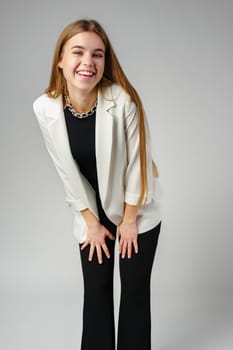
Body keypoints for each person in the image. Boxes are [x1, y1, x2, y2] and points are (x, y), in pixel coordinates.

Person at [33, 18, 162, 350]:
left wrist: (130, 220)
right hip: (90, 205)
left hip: (137, 204)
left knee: (133, 288)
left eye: (98, 54)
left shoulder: (123, 100)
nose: (88, 62)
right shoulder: (45, 108)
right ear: (60, 60)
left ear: (105, 62)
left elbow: (139, 164)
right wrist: (91, 221)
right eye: (78, 52)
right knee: (96, 287)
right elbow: (67, 171)